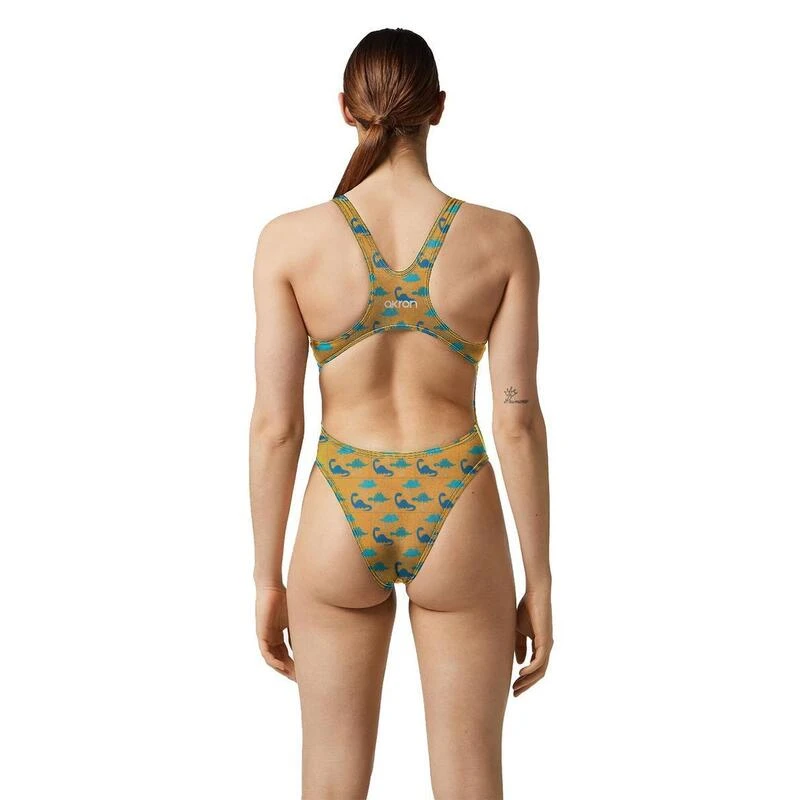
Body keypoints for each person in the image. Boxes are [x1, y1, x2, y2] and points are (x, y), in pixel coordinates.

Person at [249, 27, 553, 800]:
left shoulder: (290, 242)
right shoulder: (502, 240)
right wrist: (541, 579)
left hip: (340, 503)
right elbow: (516, 418)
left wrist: (265, 577)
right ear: (438, 108)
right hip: (458, 504)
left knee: (330, 782)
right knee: (471, 782)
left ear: (345, 108)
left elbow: (277, 428)